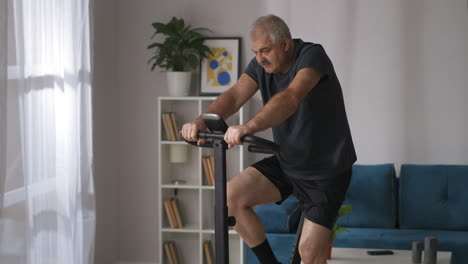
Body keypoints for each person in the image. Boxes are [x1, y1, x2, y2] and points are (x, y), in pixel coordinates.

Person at [181, 14, 356, 264]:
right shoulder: (259, 66)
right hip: (288, 162)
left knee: (309, 254)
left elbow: (291, 97)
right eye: (256, 52)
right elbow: (233, 96)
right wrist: (201, 120)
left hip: (325, 172)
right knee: (230, 197)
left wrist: (249, 126)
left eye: (265, 50)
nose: (260, 58)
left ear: (285, 45)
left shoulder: (311, 56)